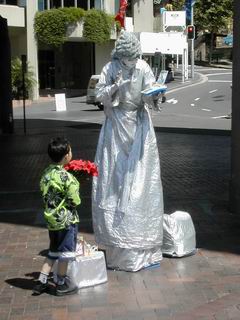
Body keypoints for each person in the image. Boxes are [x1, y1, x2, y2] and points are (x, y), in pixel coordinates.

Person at [92, 30, 164, 272]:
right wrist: (114, 86)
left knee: (140, 181)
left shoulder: (143, 67)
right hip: (116, 125)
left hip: (139, 126)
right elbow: (99, 94)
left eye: (132, 58)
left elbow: (151, 94)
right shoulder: (109, 68)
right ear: (119, 57)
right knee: (115, 179)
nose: (130, 63)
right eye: (125, 60)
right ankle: (115, 243)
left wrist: (156, 96)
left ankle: (141, 245)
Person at [33, 137, 81, 296]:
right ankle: (61, 283)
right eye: (70, 150)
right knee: (65, 253)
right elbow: (75, 200)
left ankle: (42, 280)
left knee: (53, 249)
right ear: (67, 156)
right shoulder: (68, 178)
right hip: (65, 221)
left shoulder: (46, 173)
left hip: (51, 220)